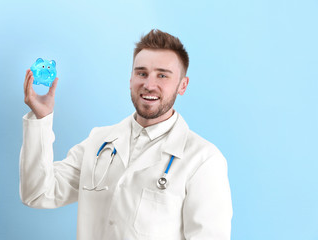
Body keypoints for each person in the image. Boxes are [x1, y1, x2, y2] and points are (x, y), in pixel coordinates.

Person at [20, 29, 233, 240]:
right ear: (130, 79)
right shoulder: (98, 141)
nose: (149, 85)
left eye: (162, 75)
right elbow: (38, 193)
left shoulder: (203, 160)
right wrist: (42, 119)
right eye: (141, 73)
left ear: (182, 85)